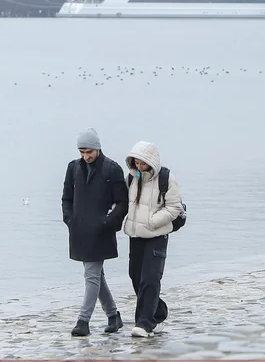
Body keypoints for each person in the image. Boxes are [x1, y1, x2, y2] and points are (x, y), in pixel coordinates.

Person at [61, 128, 128, 337]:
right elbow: (66, 198)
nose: (85, 156)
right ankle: (113, 316)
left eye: (88, 151)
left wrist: (108, 222)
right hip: (79, 231)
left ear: (97, 148)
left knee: (91, 275)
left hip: (101, 232)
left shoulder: (112, 169)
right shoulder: (73, 168)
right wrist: (70, 220)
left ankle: (83, 321)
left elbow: (122, 202)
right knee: (96, 275)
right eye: (82, 152)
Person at [123, 141, 183, 338]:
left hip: (157, 235)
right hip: (136, 235)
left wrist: (152, 222)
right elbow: (125, 202)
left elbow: (174, 207)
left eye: (142, 163)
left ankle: (144, 323)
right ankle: (158, 312)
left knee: (150, 278)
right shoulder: (132, 179)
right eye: (136, 163)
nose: (139, 167)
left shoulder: (166, 178)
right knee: (135, 277)